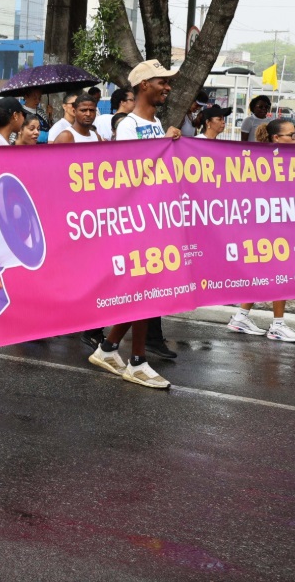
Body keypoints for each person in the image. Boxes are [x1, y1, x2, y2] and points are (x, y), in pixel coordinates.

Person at [89, 59, 180, 388]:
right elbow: (129, 173)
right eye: (161, 82)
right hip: (136, 222)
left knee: (146, 291)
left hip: (154, 219)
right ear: (145, 85)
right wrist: (163, 147)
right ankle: (135, 360)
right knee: (145, 291)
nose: (167, 87)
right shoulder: (128, 125)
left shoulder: (155, 122)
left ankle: (111, 349)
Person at [225, 119, 295, 343]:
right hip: (267, 226)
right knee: (281, 272)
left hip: (270, 225)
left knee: (263, 273)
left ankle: (241, 317)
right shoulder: (266, 159)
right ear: (276, 138)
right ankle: (277, 325)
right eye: (291, 135)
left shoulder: (284, 157)